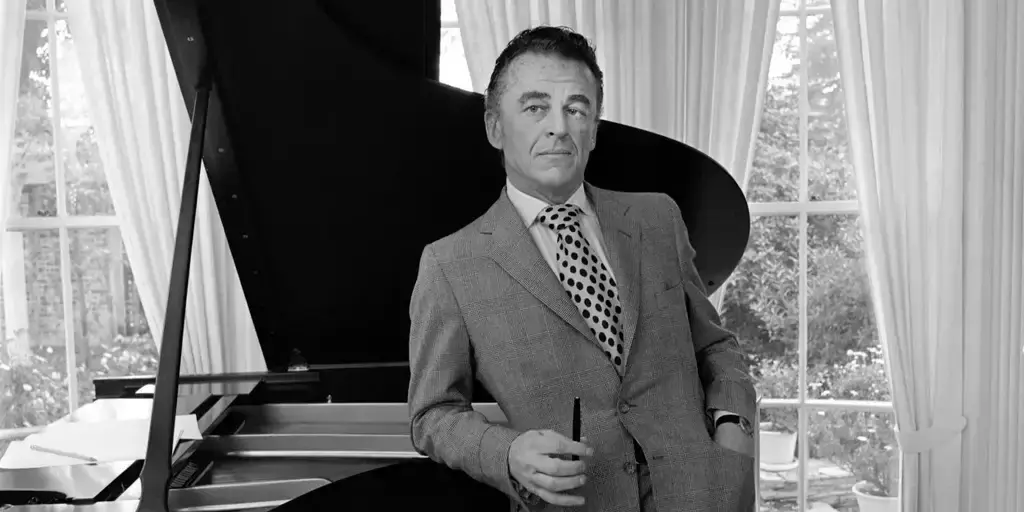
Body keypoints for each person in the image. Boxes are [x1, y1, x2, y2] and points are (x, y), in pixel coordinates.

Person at [407, 25, 756, 512]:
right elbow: (433, 414)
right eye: (535, 108)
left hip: (707, 497)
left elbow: (715, 345)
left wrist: (734, 426)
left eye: (577, 108)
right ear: (494, 127)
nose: (559, 126)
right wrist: (506, 452)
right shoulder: (449, 265)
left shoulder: (659, 219)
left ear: (594, 128)